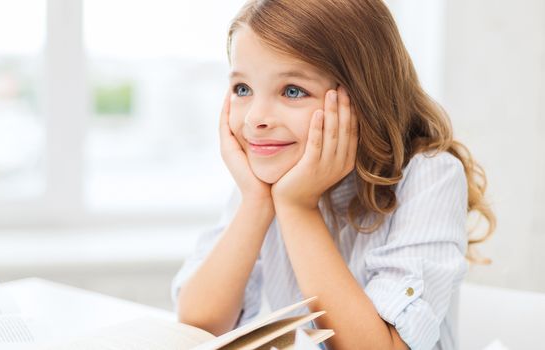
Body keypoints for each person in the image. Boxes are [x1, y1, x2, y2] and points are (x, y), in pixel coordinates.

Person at [171, 1, 496, 349]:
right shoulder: (266, 179)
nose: (254, 119)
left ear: (362, 96)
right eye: (242, 89)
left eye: (292, 91)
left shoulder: (430, 175)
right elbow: (199, 324)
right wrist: (255, 202)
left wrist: (298, 208)